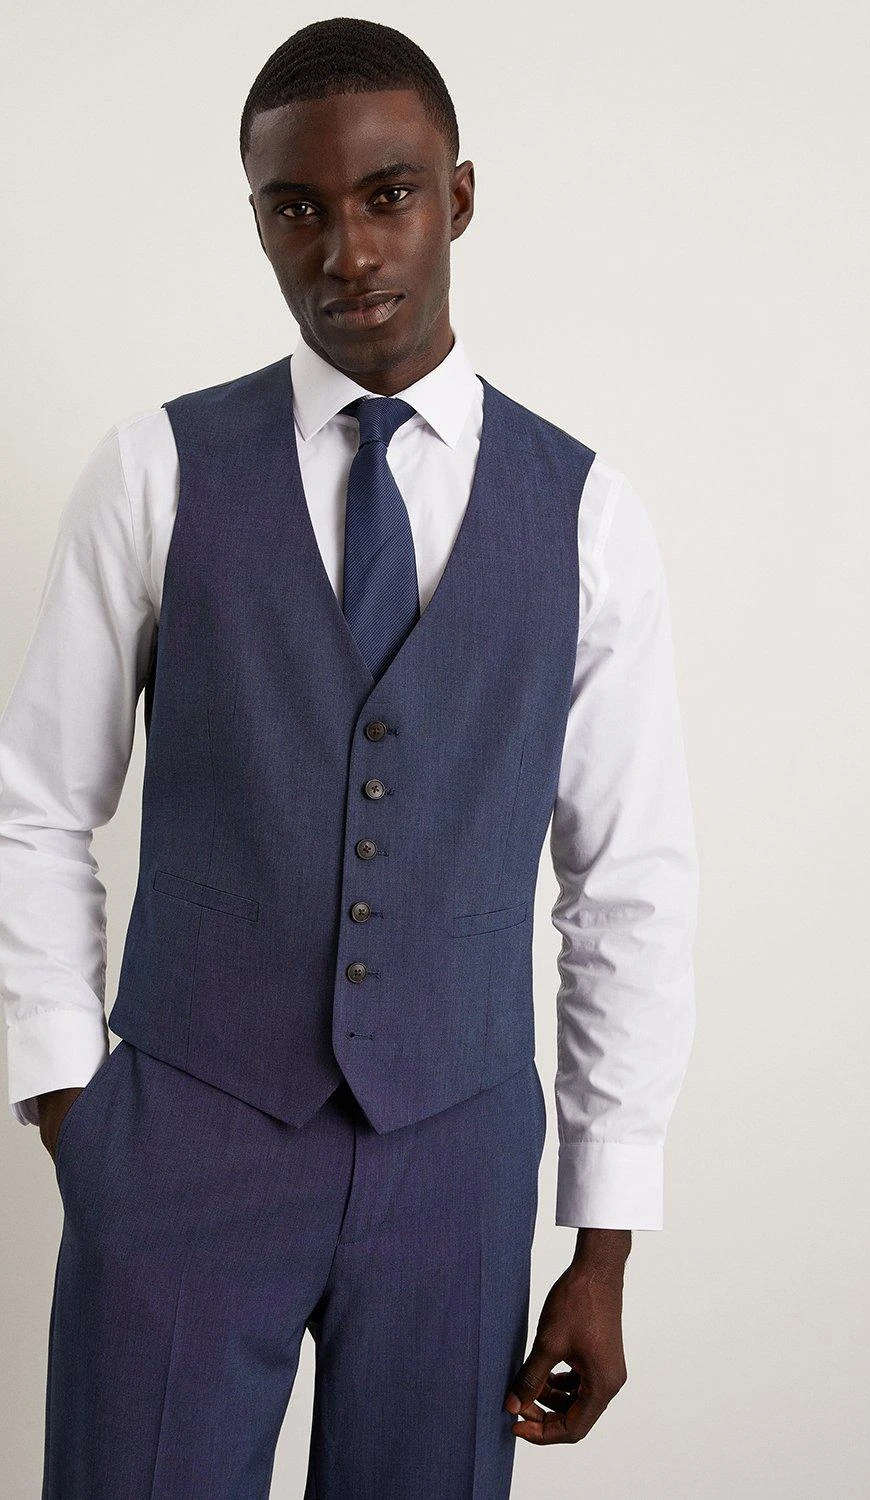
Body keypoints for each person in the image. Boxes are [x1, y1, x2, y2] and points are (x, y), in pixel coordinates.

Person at [0, 17, 699, 1498]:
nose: (349, 251)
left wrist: (605, 1240)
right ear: (257, 218)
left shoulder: (585, 513)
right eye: (297, 208)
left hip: (456, 1162)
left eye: (388, 196)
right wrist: (75, 1112)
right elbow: (35, 808)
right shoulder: (156, 470)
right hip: (184, 1141)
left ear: (459, 196)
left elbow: (628, 884)